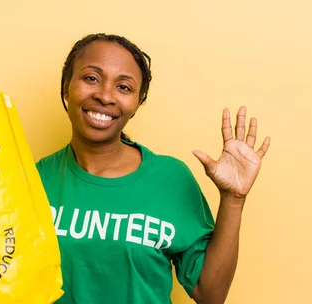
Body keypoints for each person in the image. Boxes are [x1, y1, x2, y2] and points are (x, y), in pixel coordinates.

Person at [34, 33, 271, 304]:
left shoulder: (170, 178)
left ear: (138, 102)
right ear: (66, 87)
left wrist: (233, 199)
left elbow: (210, 294)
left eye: (124, 87)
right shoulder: (33, 180)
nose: (105, 96)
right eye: (91, 78)